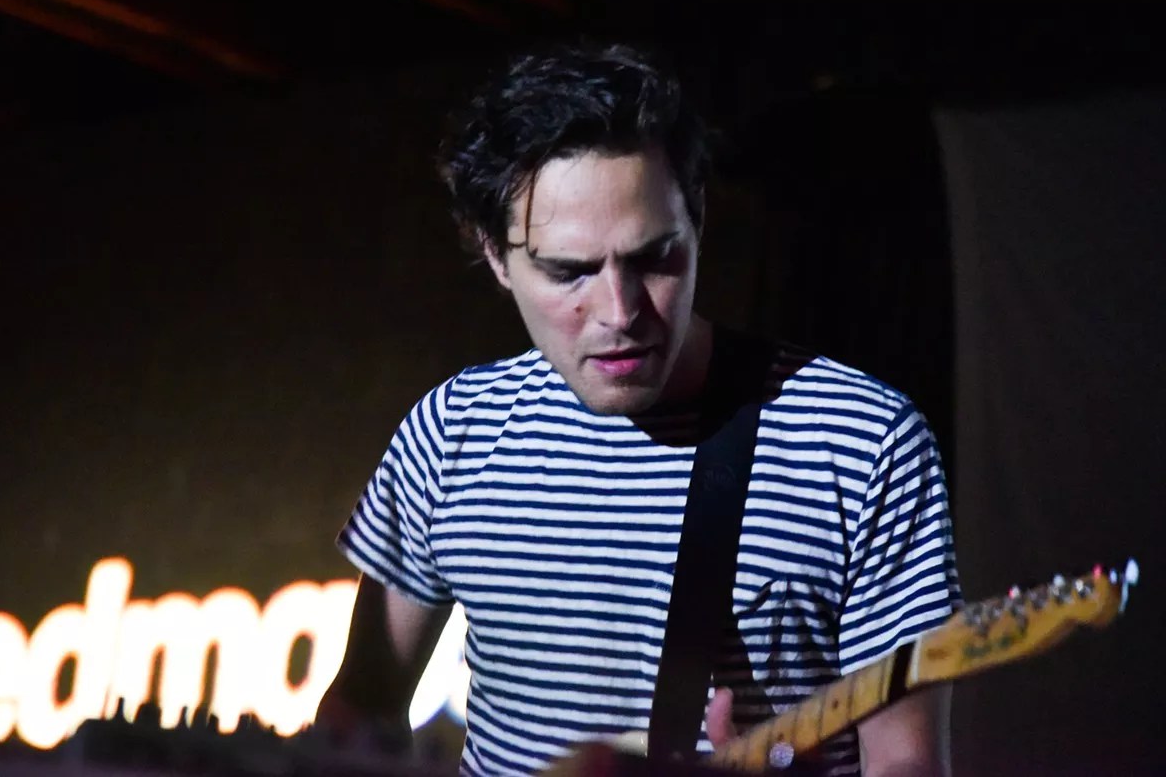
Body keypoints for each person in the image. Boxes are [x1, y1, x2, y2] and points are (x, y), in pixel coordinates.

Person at [323, 42, 960, 776]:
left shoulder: (860, 440)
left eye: (655, 257)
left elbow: (906, 761)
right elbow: (360, 711)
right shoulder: (450, 432)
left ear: (699, 220)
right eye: (570, 271)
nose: (620, 311)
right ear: (497, 257)